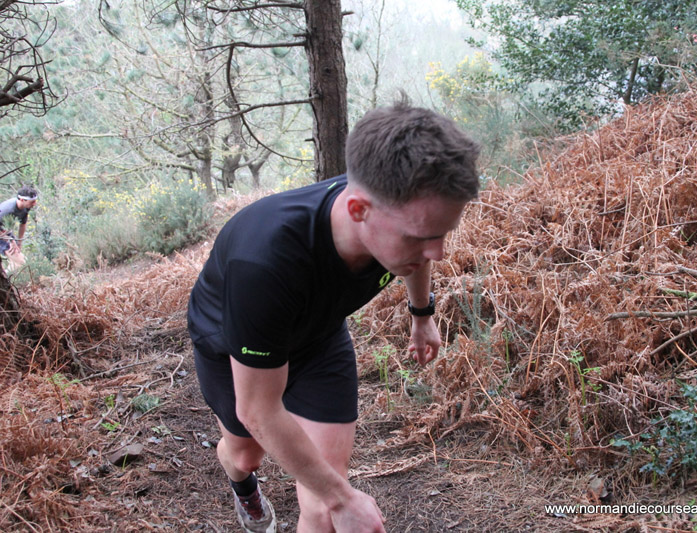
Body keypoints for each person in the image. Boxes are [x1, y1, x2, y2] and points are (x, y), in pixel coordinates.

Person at [187, 101, 481, 533]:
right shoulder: (263, 264)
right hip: (233, 341)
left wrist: (422, 313)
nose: (436, 253)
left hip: (319, 337)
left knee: (325, 506)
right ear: (358, 210)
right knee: (247, 455)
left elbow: (421, 251)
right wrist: (344, 498)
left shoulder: (393, 216)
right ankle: (243, 486)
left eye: (442, 235)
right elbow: (258, 409)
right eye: (421, 238)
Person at [0, 185, 38, 258]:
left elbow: (23, 224)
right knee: (17, 258)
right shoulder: (8, 210)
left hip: (4, 230)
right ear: (22, 200)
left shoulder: (26, 207)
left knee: (19, 254)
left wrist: (19, 242)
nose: (34, 204)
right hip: (2, 232)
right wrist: (10, 240)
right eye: (32, 202)